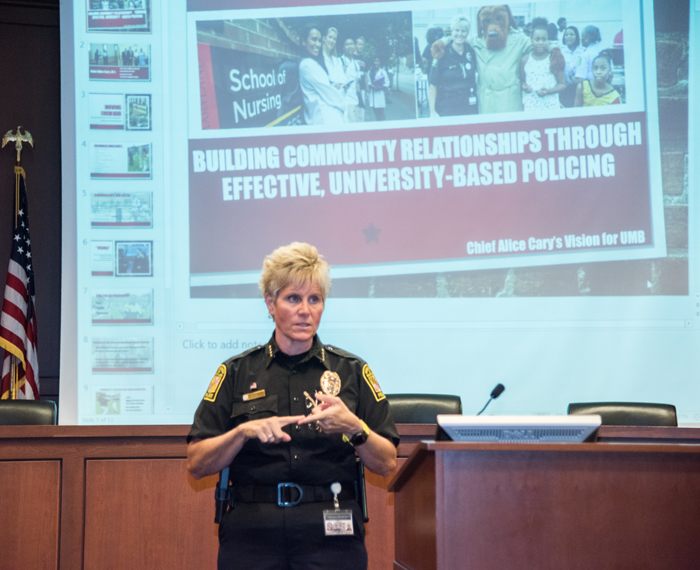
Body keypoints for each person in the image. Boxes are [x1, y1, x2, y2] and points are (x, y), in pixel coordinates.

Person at [187, 242, 399, 570]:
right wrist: (242, 432)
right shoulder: (236, 372)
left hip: (332, 531)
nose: (305, 310)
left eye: (314, 299)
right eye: (293, 298)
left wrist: (354, 427)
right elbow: (197, 463)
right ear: (270, 304)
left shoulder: (352, 370)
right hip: (253, 533)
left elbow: (387, 463)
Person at [428, 15, 477, 117]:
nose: (460, 34)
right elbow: (433, 84)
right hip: (447, 109)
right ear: (452, 31)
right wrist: (432, 111)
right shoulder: (441, 53)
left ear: (467, 33)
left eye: (463, 31)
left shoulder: (471, 51)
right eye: (457, 30)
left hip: (469, 108)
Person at [298, 24, 346, 125]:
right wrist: (344, 105)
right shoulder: (308, 65)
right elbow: (329, 93)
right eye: (314, 39)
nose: (318, 44)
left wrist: (331, 86)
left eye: (319, 41)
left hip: (328, 115)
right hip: (325, 117)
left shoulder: (312, 63)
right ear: (303, 41)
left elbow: (322, 87)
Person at [520, 18, 566, 111]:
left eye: (544, 39)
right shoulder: (525, 60)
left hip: (550, 107)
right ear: (531, 40)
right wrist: (524, 87)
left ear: (548, 40)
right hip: (531, 106)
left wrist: (548, 91)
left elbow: (562, 84)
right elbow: (522, 81)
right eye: (537, 39)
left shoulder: (553, 58)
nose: (540, 42)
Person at [559, 26, 584, 107]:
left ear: (576, 36)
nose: (568, 37)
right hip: (565, 88)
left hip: (580, 87)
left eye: (571, 34)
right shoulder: (560, 51)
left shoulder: (582, 51)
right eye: (566, 35)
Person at [340, 37, 362, 123]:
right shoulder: (339, 61)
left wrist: (360, 101)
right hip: (344, 101)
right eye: (347, 44)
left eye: (351, 44)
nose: (349, 46)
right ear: (343, 48)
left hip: (354, 101)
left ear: (354, 46)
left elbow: (357, 83)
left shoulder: (356, 64)